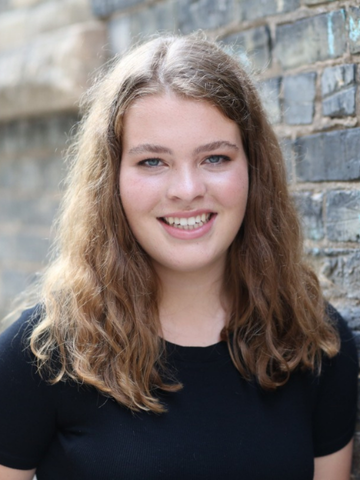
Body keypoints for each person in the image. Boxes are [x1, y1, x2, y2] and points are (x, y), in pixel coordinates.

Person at [0, 33, 358, 480]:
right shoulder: (38, 357)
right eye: (153, 162)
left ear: (253, 168)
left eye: (215, 158)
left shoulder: (313, 342)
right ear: (110, 181)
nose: (187, 190)